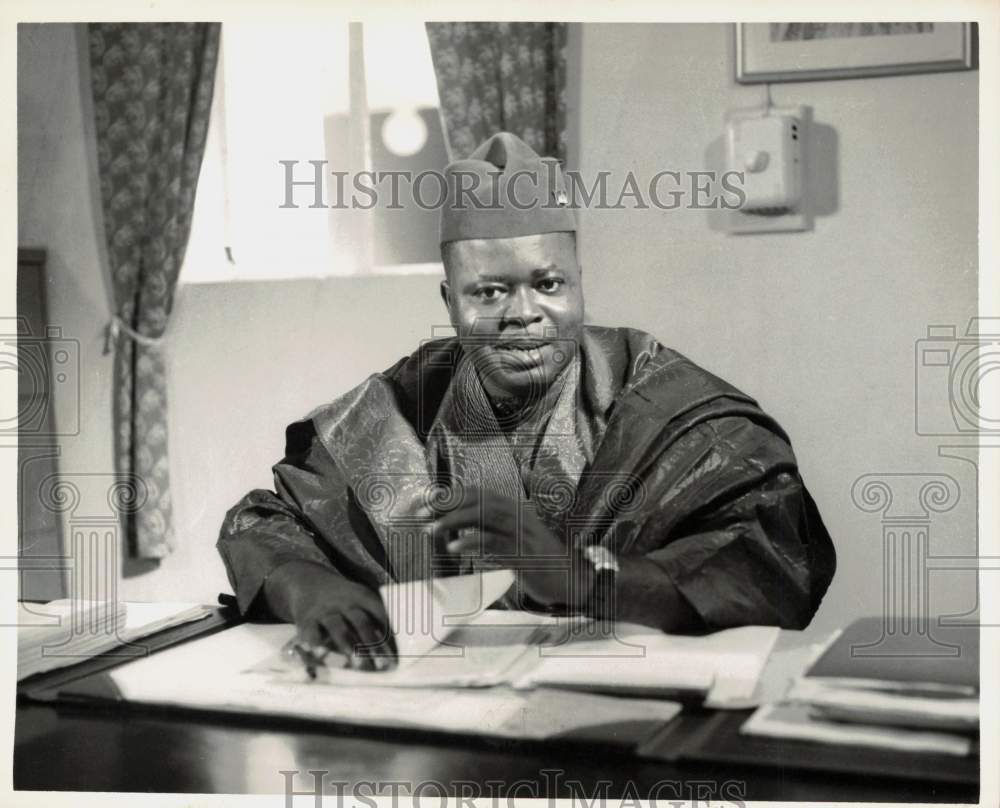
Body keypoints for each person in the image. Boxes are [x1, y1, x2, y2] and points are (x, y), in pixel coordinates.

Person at [217, 132, 836, 671]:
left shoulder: (666, 402)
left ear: (578, 282)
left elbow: (765, 549)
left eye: (548, 284)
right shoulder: (404, 400)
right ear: (449, 303)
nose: (522, 315)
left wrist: (577, 575)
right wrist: (308, 589)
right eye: (488, 292)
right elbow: (270, 523)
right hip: (436, 720)